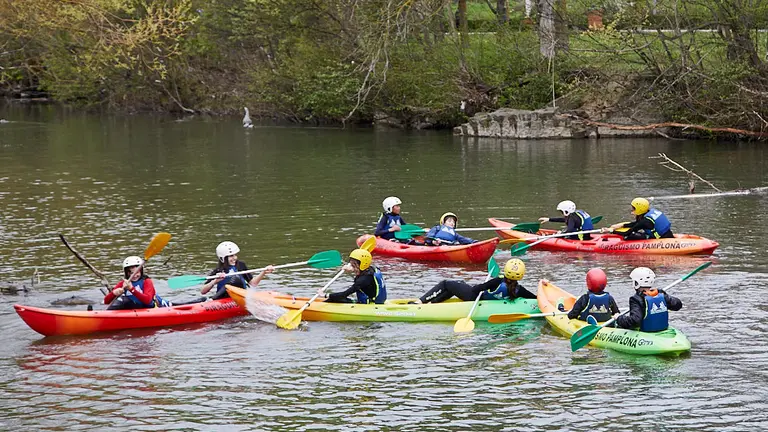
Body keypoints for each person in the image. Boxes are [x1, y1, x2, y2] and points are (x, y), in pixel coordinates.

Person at [414, 259, 536, 304]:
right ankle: (434, 303)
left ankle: (421, 301)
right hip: (485, 301)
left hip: (474, 297)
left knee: (446, 283)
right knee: (459, 283)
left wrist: (482, 284)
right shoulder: (520, 290)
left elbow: (476, 289)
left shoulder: (497, 281)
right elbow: (534, 298)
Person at [616, 267, 683, 332]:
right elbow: (678, 305)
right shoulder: (660, 294)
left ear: (637, 283)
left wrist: (619, 318)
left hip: (646, 332)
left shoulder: (636, 299)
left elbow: (635, 321)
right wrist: (666, 297)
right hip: (662, 329)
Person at [201, 241, 274, 300]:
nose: (235, 258)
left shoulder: (241, 265)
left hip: (240, 296)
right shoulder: (218, 271)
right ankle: (210, 300)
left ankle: (212, 299)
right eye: (231, 256)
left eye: (235, 255)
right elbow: (203, 291)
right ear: (223, 258)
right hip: (222, 298)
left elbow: (253, 283)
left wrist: (263, 272)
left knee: (235, 279)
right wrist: (215, 281)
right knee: (202, 299)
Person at [104, 256, 170, 310]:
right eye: (131, 273)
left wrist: (131, 289)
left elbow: (147, 301)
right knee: (123, 300)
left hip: (150, 307)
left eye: (137, 272)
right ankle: (106, 316)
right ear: (127, 273)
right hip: (135, 307)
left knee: (124, 299)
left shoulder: (147, 281)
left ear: (141, 271)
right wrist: (113, 293)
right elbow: (106, 301)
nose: (135, 275)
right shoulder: (123, 284)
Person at [607, 197, 674, 240]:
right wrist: (622, 225)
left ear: (639, 209)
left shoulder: (645, 221)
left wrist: (612, 231)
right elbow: (637, 224)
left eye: (633, 208)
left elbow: (627, 232)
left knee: (629, 236)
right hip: (668, 234)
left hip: (659, 239)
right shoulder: (651, 213)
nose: (632, 210)